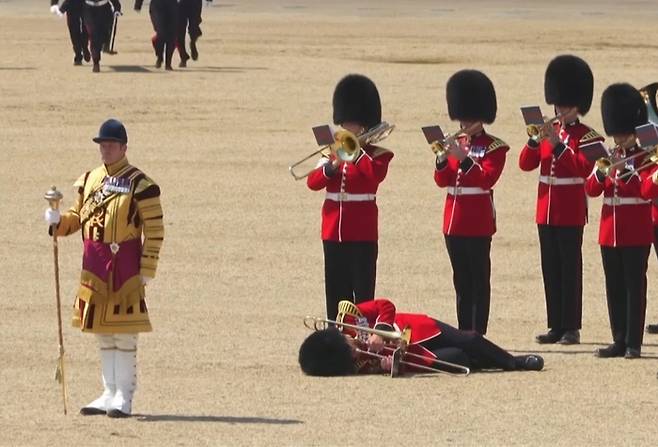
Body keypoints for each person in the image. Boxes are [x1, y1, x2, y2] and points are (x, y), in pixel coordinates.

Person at [43, 119, 164, 417]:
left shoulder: (141, 184)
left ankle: (125, 395)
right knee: (103, 333)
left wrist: (147, 266)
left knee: (124, 334)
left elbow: (155, 229)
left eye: (111, 145)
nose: (106, 150)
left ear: (124, 147)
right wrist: (58, 223)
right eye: (102, 145)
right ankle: (108, 392)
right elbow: (77, 217)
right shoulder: (89, 180)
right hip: (94, 267)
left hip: (125, 268)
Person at [519, 54, 604, 345]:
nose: (561, 109)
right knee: (550, 267)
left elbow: (585, 169)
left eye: (566, 105)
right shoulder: (549, 131)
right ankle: (555, 324)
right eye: (558, 104)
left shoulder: (588, 136)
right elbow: (525, 164)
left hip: (569, 210)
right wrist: (535, 140)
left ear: (578, 106)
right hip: (546, 209)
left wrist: (557, 147)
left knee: (570, 268)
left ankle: (572, 326)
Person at [306, 74, 394, 322]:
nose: (346, 127)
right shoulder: (334, 148)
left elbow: (373, 176)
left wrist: (355, 154)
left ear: (363, 125)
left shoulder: (377, 154)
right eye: (345, 122)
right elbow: (313, 182)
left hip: (362, 232)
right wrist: (330, 167)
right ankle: (337, 337)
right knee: (335, 290)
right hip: (333, 230)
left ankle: (363, 341)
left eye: (351, 124)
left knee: (363, 295)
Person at [433, 69, 509, 335]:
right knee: (461, 281)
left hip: (477, 222)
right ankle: (464, 330)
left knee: (479, 281)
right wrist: (442, 159)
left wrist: (463, 160)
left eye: (468, 116)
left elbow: (487, 179)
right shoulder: (456, 142)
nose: (464, 122)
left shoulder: (494, 147)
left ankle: (478, 332)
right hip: (453, 222)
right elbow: (442, 181)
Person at [298, 299, 544, 376]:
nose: (355, 351)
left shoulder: (348, 317)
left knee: (470, 340)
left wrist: (379, 333)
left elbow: (384, 305)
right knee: (460, 360)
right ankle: (489, 363)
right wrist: (389, 365)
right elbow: (391, 367)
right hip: (413, 353)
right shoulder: (356, 364)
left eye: (349, 347)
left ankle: (514, 363)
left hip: (416, 328)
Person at [586, 84, 651, 358]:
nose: (619, 139)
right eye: (617, 134)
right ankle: (619, 339)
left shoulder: (647, 157)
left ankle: (634, 343)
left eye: (624, 134)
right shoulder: (607, 156)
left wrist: (629, 173)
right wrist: (603, 173)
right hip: (609, 231)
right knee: (614, 287)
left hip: (635, 231)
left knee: (634, 287)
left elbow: (649, 191)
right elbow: (591, 188)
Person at [135, 0, 178, 70]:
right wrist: (138, 4)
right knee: (161, 33)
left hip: (173, 6)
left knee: (171, 35)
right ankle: (160, 56)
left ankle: (168, 63)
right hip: (157, 6)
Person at [82, 0, 121, 72]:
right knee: (93, 34)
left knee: (103, 35)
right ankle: (96, 62)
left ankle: (103, 46)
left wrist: (117, 8)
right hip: (88, 10)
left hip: (104, 10)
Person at [50, 0, 91, 65]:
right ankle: (78, 54)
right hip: (71, 3)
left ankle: (84, 46)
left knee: (86, 27)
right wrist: (54, 3)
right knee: (73, 29)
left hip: (86, 3)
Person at [176, 0, 212, 67]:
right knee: (179, 32)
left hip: (194, 3)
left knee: (193, 28)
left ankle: (192, 43)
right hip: (181, 4)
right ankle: (183, 56)